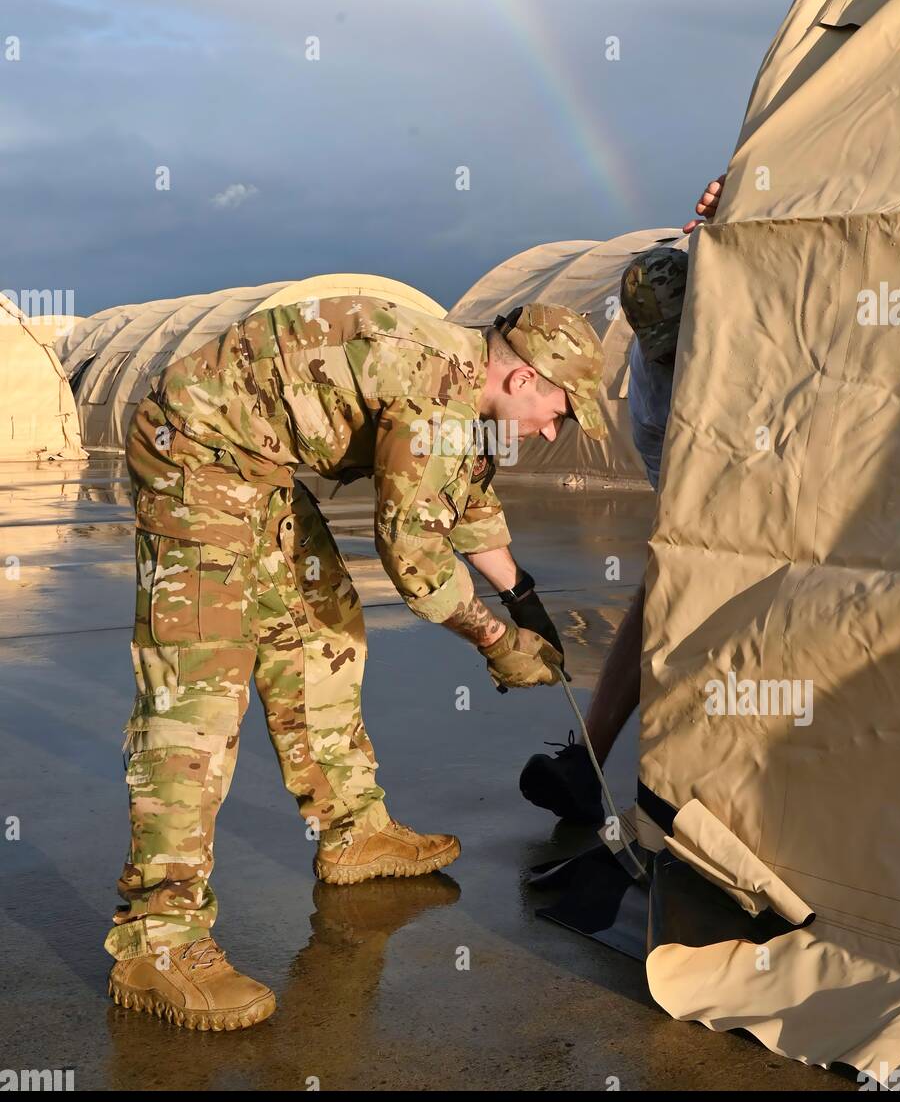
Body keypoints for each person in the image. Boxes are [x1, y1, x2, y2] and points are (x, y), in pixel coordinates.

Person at [105, 295, 606, 1029]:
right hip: (193, 451)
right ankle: (157, 940)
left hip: (257, 468)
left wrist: (522, 598)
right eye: (561, 410)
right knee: (198, 696)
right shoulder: (434, 389)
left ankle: (352, 832)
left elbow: (460, 505)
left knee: (323, 630)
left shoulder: (466, 392)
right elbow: (415, 558)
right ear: (525, 379)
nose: (555, 428)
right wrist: (497, 643)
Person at [519, 177, 726, 825]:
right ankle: (597, 765)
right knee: (671, 584)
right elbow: (684, 510)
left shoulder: (741, 306)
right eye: (662, 350)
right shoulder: (653, 389)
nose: (671, 359)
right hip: (711, 483)